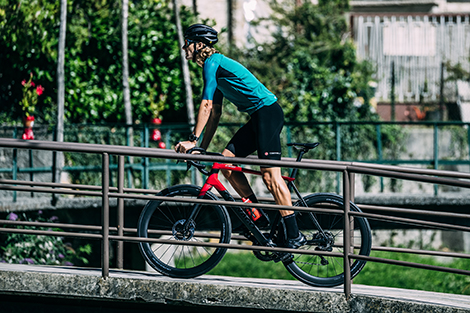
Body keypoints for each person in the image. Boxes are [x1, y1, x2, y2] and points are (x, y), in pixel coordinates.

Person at [174, 24, 305, 249]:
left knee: (271, 177)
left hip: (268, 113)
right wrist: (201, 149)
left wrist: (192, 140)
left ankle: (294, 235)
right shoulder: (213, 67)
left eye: (187, 42)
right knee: (225, 163)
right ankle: (258, 216)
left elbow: (205, 105)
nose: (184, 47)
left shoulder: (212, 63)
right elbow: (214, 113)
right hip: (258, 117)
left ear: (198, 44)